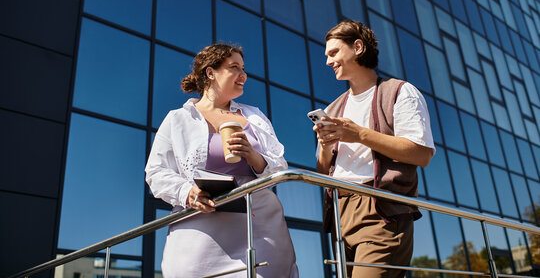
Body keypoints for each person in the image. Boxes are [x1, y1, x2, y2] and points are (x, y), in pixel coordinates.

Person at [146, 44, 298, 278]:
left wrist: (254, 156)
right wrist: (187, 192)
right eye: (234, 67)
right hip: (198, 234)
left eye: (244, 69)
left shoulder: (254, 116)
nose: (243, 75)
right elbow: (156, 172)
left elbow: (279, 167)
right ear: (210, 73)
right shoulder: (178, 119)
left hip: (260, 230)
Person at [314, 20, 435, 278]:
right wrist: (325, 147)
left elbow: (421, 154)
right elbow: (322, 173)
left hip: (380, 211)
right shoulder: (333, 108)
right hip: (340, 212)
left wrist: (358, 134)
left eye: (333, 52)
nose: (327, 61)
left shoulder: (400, 92)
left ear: (357, 47)